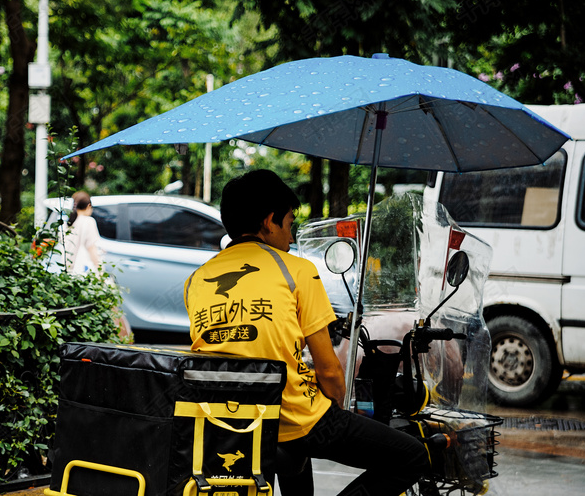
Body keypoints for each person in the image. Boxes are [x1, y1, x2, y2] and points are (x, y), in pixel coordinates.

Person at [183, 170, 429, 496]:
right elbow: (328, 370)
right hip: (292, 418)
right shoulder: (296, 269)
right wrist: (339, 407)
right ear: (270, 221)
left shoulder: (197, 279)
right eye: (289, 224)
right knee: (412, 456)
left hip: (228, 420)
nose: (290, 235)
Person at [64, 191, 103, 275]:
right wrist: (100, 271)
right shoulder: (88, 222)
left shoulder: (68, 223)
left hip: (68, 272)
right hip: (82, 272)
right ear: (89, 206)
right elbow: (91, 248)